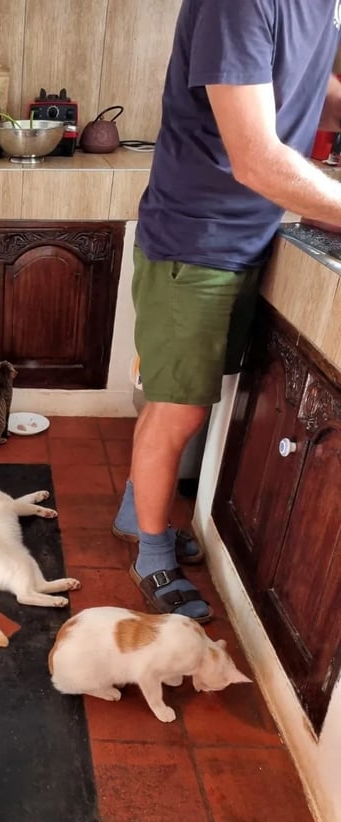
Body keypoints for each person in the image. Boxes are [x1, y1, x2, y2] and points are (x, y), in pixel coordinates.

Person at [112, 0, 341, 623]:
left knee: (173, 401)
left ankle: (140, 515)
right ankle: (151, 552)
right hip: (198, 240)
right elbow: (256, 158)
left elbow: (306, 81)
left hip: (241, 235)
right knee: (177, 408)